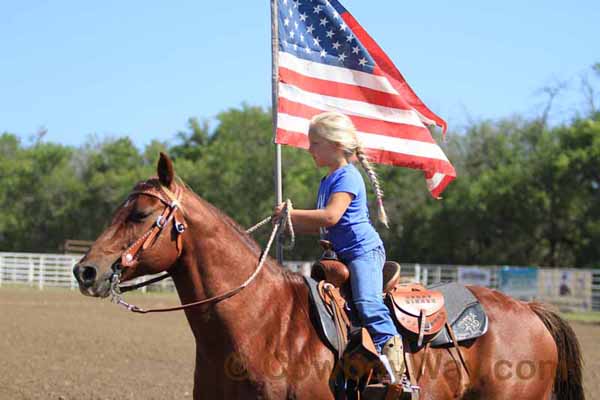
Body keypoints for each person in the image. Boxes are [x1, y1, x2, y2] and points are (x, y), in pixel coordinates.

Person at [273, 111, 404, 381]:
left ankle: (394, 358)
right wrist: (287, 223)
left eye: (315, 143)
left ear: (335, 145)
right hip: (341, 254)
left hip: (362, 252)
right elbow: (322, 225)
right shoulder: (328, 179)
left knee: (366, 302)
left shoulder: (347, 176)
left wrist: (292, 214)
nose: (310, 149)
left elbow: (331, 216)